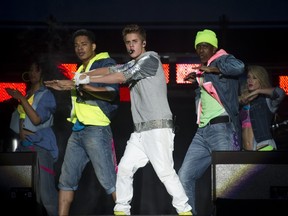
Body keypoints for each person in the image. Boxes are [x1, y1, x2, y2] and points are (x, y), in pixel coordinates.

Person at [47, 24, 193, 215]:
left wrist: (80, 80)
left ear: (144, 43)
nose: (131, 46)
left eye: (135, 42)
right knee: (124, 169)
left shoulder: (151, 59)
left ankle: (185, 211)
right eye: (127, 42)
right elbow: (109, 70)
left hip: (158, 129)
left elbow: (119, 76)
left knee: (165, 173)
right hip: (140, 133)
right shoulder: (133, 62)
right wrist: (76, 78)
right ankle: (122, 211)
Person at [45, 29, 119, 216]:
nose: (79, 48)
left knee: (110, 181)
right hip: (78, 131)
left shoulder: (104, 62)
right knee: (66, 180)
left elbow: (111, 93)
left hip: (97, 129)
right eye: (76, 45)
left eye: (83, 44)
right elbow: (80, 94)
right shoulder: (79, 70)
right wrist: (65, 86)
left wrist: (74, 85)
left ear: (93, 46)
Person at [178, 29, 245, 215]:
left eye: (205, 46)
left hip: (222, 128)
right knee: (184, 176)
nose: (200, 50)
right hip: (202, 132)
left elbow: (239, 67)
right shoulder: (204, 69)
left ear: (214, 47)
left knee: (224, 183)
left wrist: (213, 69)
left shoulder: (222, 59)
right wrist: (198, 79)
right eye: (198, 47)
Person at [5, 57, 59, 216]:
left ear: (42, 73)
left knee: (46, 196)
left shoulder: (46, 95)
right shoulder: (28, 95)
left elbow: (36, 119)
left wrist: (20, 98)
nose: (33, 72)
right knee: (24, 196)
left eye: (36, 69)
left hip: (41, 148)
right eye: (31, 69)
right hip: (24, 148)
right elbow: (19, 126)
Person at [239, 65, 285, 151]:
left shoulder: (266, 99)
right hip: (245, 150)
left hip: (263, 146)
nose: (250, 80)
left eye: (254, 78)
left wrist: (258, 91)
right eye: (248, 77)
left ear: (261, 79)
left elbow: (280, 93)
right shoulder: (243, 100)